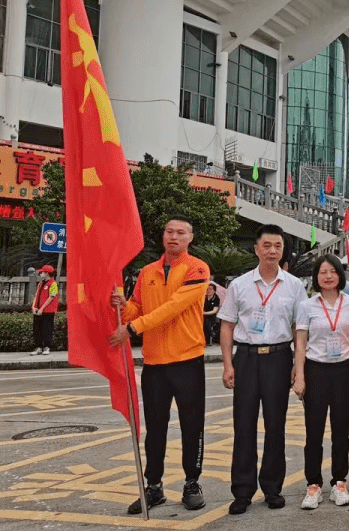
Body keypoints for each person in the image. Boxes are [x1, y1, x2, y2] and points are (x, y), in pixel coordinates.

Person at [108, 216, 211, 514]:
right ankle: (153, 487)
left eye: (181, 232)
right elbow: (138, 307)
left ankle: (192, 483)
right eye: (169, 231)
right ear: (162, 235)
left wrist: (132, 328)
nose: (174, 236)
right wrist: (123, 307)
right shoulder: (147, 272)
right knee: (155, 429)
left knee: (192, 426)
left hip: (187, 360)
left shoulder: (197, 268)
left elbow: (172, 308)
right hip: (154, 362)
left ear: (190, 238)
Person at [219, 224, 307, 514]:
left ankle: (272, 488)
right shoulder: (239, 285)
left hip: (279, 357)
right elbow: (227, 325)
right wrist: (228, 364)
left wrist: (298, 365)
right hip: (246, 357)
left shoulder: (294, 286)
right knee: (243, 425)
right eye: (267, 245)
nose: (272, 251)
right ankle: (242, 491)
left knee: (275, 425)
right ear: (256, 249)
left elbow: (300, 328)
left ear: (283, 250)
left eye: (277, 246)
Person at [294, 255, 349, 510]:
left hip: (344, 369)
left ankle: (339, 482)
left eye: (333, 271)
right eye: (323, 272)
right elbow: (300, 343)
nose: (328, 276)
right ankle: (313, 485)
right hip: (316, 369)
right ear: (317, 277)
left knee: (341, 430)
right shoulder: (307, 305)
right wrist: (299, 376)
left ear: (340, 275)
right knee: (314, 431)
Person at [31, 264, 60, 355]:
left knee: (47, 329)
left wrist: (42, 309)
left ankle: (47, 347)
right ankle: (38, 347)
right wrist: (33, 306)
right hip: (38, 311)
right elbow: (36, 295)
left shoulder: (53, 283)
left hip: (48, 311)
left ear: (47, 273)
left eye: (42, 272)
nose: (41, 274)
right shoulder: (40, 283)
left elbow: (51, 297)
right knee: (37, 330)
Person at [203, 279, 221, 346]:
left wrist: (204, 313)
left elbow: (215, 310)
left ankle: (207, 339)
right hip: (202, 315)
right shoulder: (203, 298)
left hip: (211, 316)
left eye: (210, 289)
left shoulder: (216, 298)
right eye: (207, 289)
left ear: (214, 291)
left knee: (207, 322)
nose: (208, 291)